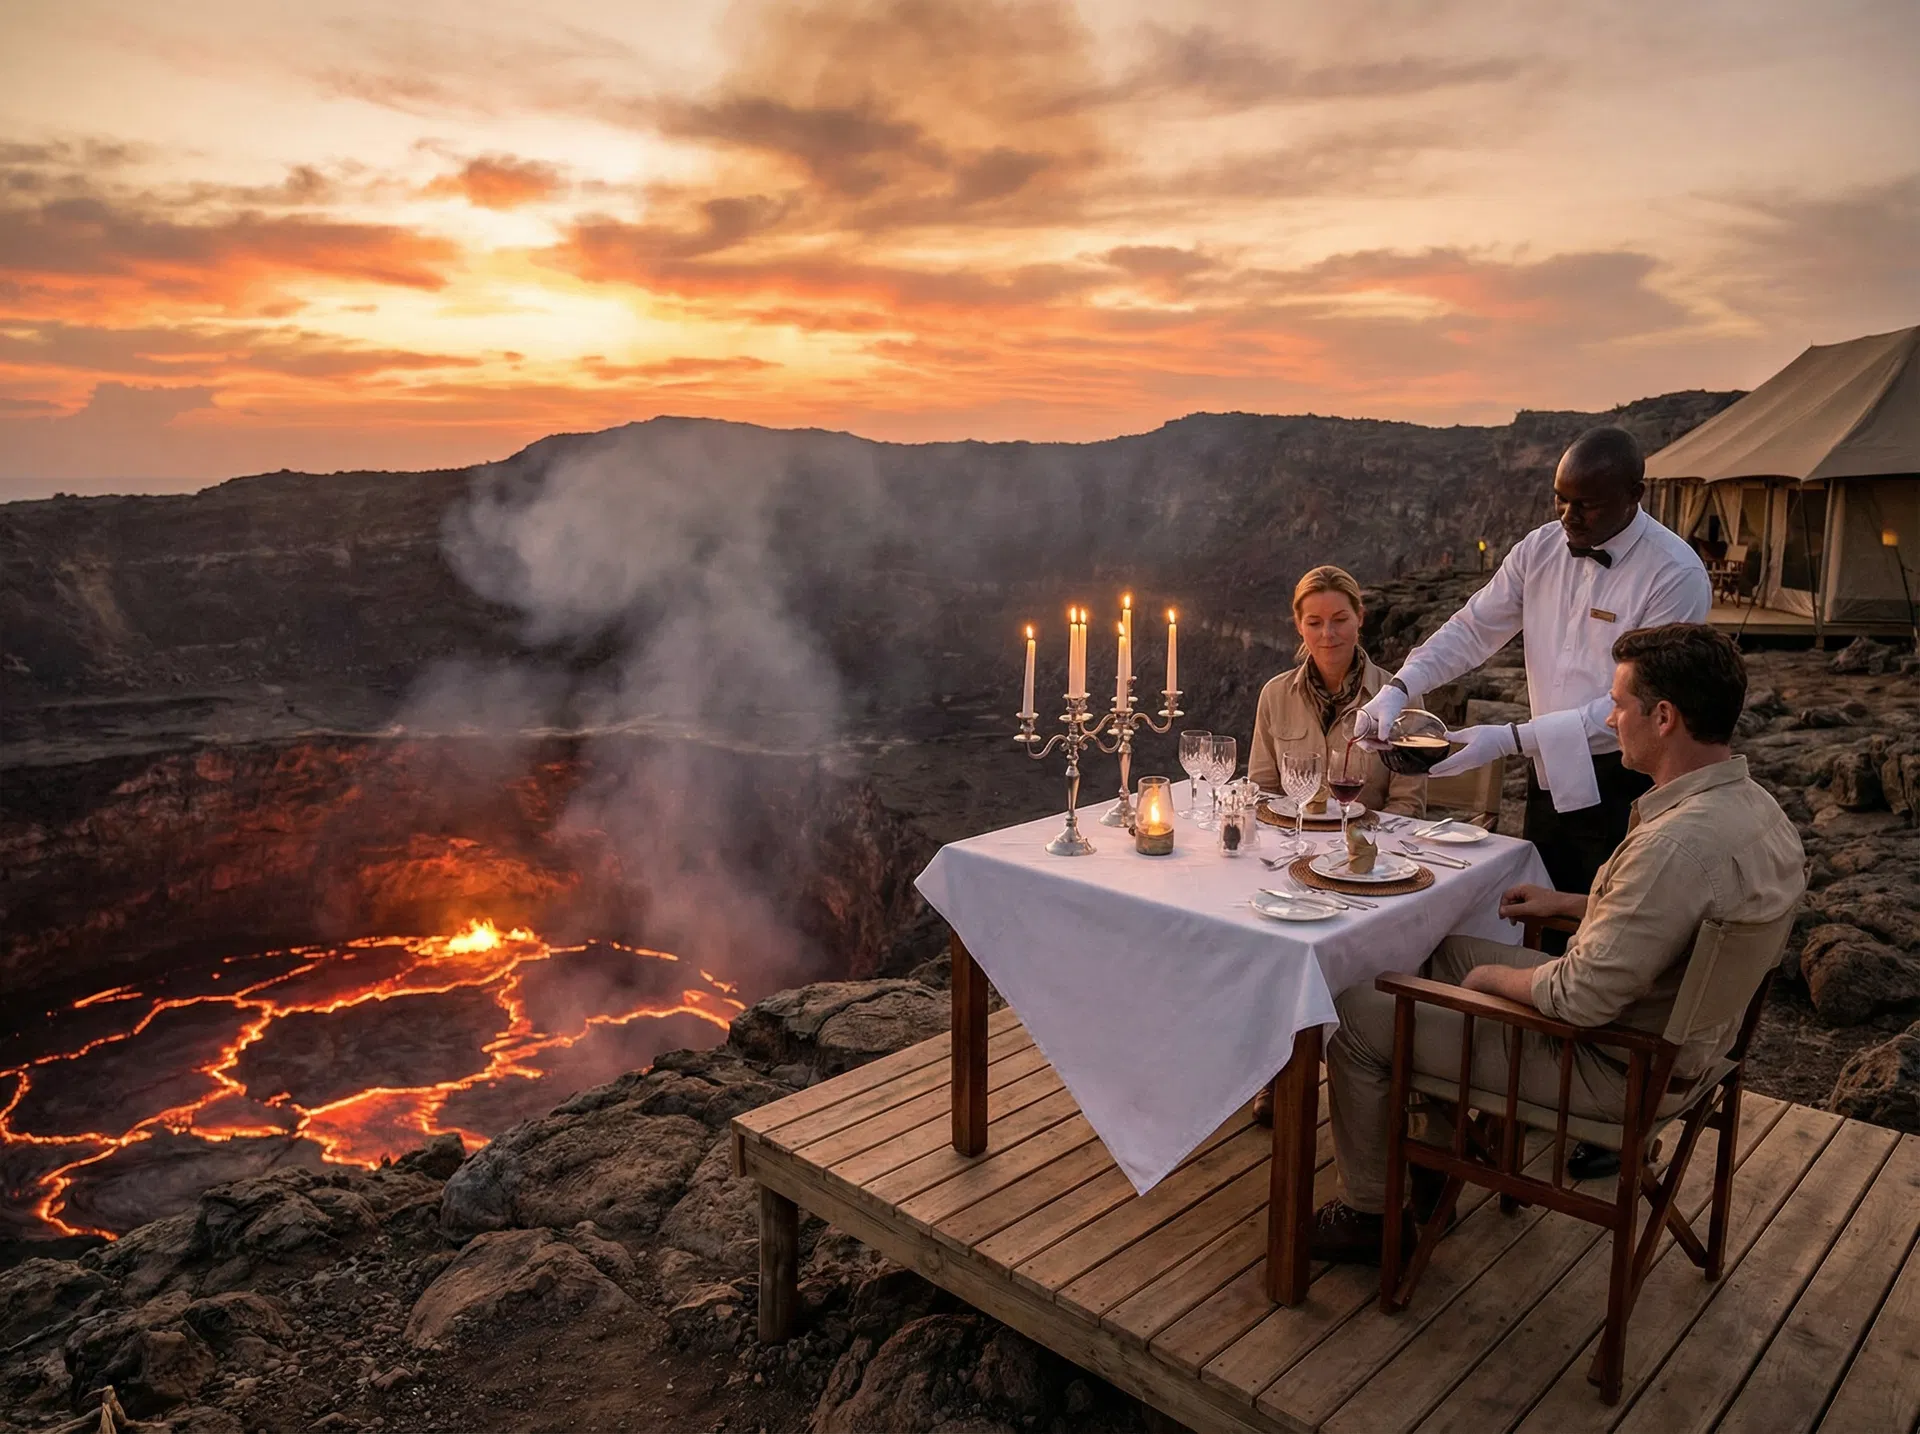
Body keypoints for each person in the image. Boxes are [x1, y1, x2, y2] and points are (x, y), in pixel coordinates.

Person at [1310, 623, 1805, 1262]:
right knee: (1444, 953)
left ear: (1663, 718)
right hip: (1690, 1052)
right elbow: (1674, 919)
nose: (1610, 718)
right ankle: (1434, 1160)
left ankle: (1370, 1216)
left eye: (1618, 704)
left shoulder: (1672, 845)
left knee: (1356, 1012)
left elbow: (1578, 998)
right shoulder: (1757, 813)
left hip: (1610, 1065)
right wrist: (1572, 903)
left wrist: (1492, 982)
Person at [1356, 426, 1710, 1179]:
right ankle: (1541, 1081)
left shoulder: (1674, 573)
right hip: (1554, 773)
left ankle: (1613, 1114)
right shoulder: (1541, 549)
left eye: (1587, 505)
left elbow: (1637, 711)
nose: (1568, 518)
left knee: (1620, 936)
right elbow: (1473, 628)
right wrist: (1400, 685)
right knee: (1550, 924)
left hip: (1634, 775)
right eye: (1559, 500)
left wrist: (1505, 739)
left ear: (1635, 496)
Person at [1247, 565, 1425, 818]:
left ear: (1359, 617)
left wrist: (1359, 837)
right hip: (1291, 838)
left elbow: (1408, 805)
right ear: (1299, 625)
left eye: (1340, 620)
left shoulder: (1401, 699)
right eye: (1314, 623)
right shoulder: (1275, 695)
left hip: (1370, 840)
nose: (1328, 634)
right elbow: (1262, 794)